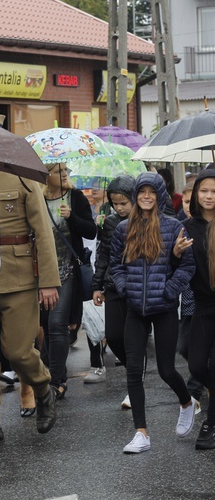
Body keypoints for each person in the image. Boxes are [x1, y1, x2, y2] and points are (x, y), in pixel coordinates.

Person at [0, 167, 60, 447]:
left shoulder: (22, 179)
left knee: (18, 351)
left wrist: (48, 281)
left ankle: (43, 388)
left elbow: (42, 230)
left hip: (18, 275)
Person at [109, 172, 196, 454]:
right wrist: (125, 289)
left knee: (166, 370)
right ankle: (141, 433)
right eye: (142, 191)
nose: (146, 196)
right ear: (136, 195)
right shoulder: (123, 229)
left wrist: (169, 291)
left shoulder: (173, 227)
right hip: (135, 309)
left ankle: (186, 402)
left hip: (164, 307)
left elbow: (187, 267)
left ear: (159, 195)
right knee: (134, 371)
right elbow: (116, 265)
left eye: (152, 191)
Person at [41, 163, 96, 400]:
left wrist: (71, 217)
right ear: (46, 175)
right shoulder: (36, 198)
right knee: (44, 327)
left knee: (57, 324)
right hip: (41, 271)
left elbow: (91, 231)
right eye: (58, 172)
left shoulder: (75, 197)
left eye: (66, 171)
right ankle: (45, 375)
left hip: (67, 269)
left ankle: (57, 381)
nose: (64, 175)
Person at [91, 175, 135, 407]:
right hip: (113, 284)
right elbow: (103, 255)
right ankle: (134, 368)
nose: (119, 208)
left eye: (123, 203)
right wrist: (97, 285)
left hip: (137, 285)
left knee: (132, 338)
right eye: (115, 203)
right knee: (114, 335)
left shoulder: (145, 219)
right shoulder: (109, 222)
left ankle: (134, 386)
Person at [181, 169, 215, 449]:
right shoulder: (188, 227)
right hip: (203, 305)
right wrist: (176, 254)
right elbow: (179, 269)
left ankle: (210, 425)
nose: (209, 196)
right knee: (196, 364)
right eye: (204, 190)